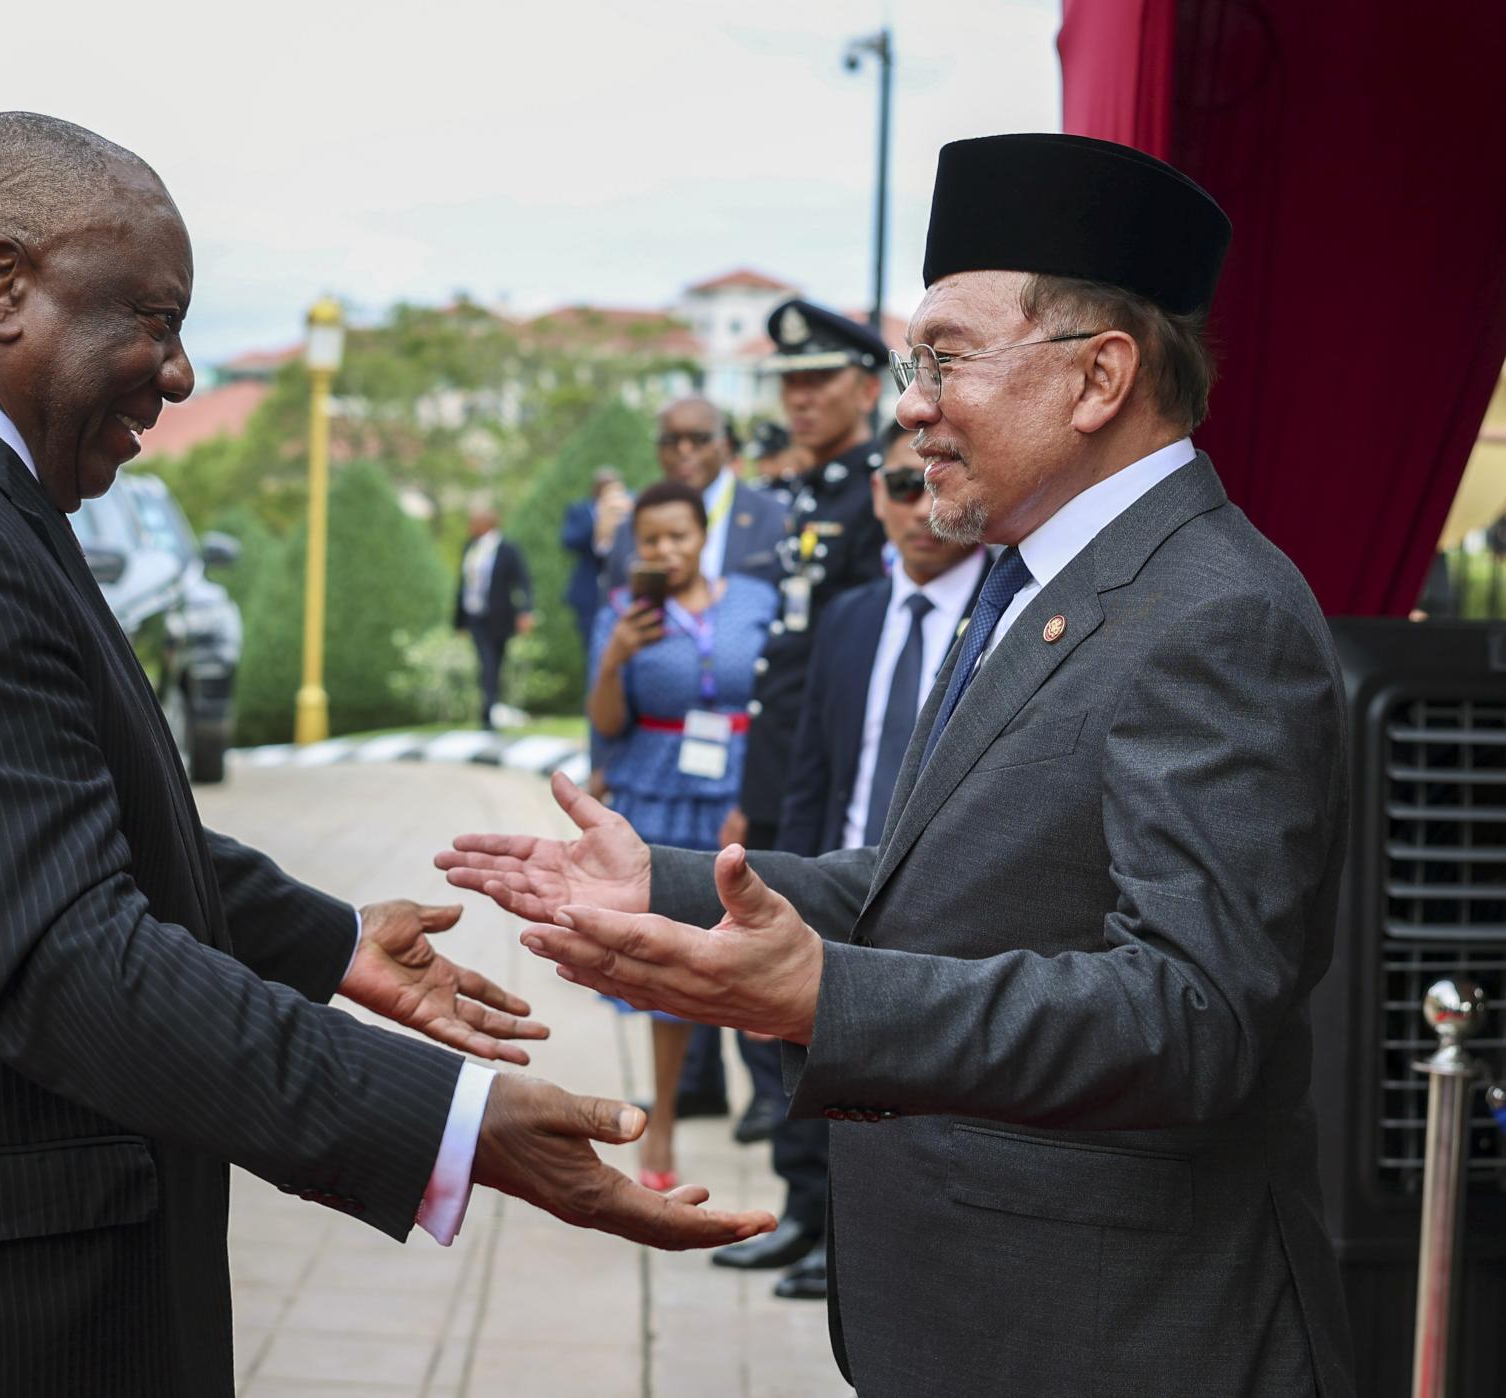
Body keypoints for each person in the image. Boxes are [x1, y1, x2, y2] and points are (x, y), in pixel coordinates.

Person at [0, 113, 772, 1398]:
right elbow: (65, 956)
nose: (180, 374)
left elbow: (35, 816)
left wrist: (323, 941)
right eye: (150, 319)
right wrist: (451, 1120)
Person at [443, 132, 1354, 1397]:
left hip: (1116, 1335)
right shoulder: (1036, 579)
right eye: (906, 365)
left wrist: (827, 998)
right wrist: (665, 885)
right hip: (982, 1315)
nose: (908, 405)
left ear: (1097, 377)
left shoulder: (1214, 611)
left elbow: (1187, 1013)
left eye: (942, 360)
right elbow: (934, 885)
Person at [719, 424, 986, 1298]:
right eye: (901, 486)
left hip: (941, 894)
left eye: (933, 480)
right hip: (836, 877)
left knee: (902, 1069)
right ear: (876, 496)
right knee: (803, 1047)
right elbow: (813, 770)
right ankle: (807, 1217)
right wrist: (785, 886)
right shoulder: (850, 616)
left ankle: (869, 1246)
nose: (919, 505)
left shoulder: (1007, 615)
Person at [585, 480, 777, 1192]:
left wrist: (759, 798)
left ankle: (778, 1115)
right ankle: (661, 1120)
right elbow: (607, 722)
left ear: (704, 536)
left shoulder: (754, 601)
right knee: (666, 965)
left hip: (740, 794)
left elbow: (780, 695)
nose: (666, 550)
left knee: (754, 953)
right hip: (658, 795)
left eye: (679, 536)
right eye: (651, 540)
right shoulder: (622, 614)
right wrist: (615, 659)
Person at [721, 299, 892, 855]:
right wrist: (754, 796)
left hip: (833, 776)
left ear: (868, 390)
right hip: (782, 770)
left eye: (818, 380)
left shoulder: (885, 495)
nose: (799, 398)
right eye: (791, 381)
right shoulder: (809, 492)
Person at [604, 397, 786, 590]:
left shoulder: (772, 515)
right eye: (671, 440)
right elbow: (613, 600)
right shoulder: (637, 519)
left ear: (725, 445)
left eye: (699, 439)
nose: (684, 450)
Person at [454, 505, 534, 730]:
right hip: (475, 617)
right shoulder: (470, 548)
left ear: (486, 523)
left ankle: (490, 710)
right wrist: (459, 621)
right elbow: (463, 585)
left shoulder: (507, 549)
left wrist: (525, 611)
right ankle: (487, 714)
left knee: (495, 665)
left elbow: (523, 581)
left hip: (499, 618)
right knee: (486, 663)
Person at [560, 467, 628, 666]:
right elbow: (569, 541)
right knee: (593, 653)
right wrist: (601, 517)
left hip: (624, 590)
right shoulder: (581, 510)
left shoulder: (630, 505)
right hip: (590, 593)